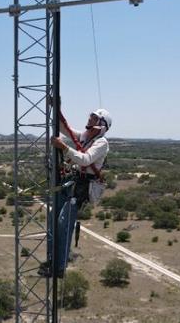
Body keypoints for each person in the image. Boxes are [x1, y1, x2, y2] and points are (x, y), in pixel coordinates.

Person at [37, 109, 111, 278]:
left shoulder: (101, 142)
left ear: (102, 124)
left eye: (94, 118)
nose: (90, 119)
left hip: (81, 188)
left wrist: (64, 147)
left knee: (64, 224)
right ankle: (51, 260)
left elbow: (85, 160)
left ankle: (59, 267)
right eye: (90, 117)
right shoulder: (85, 137)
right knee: (53, 220)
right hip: (70, 183)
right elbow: (65, 129)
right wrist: (56, 106)